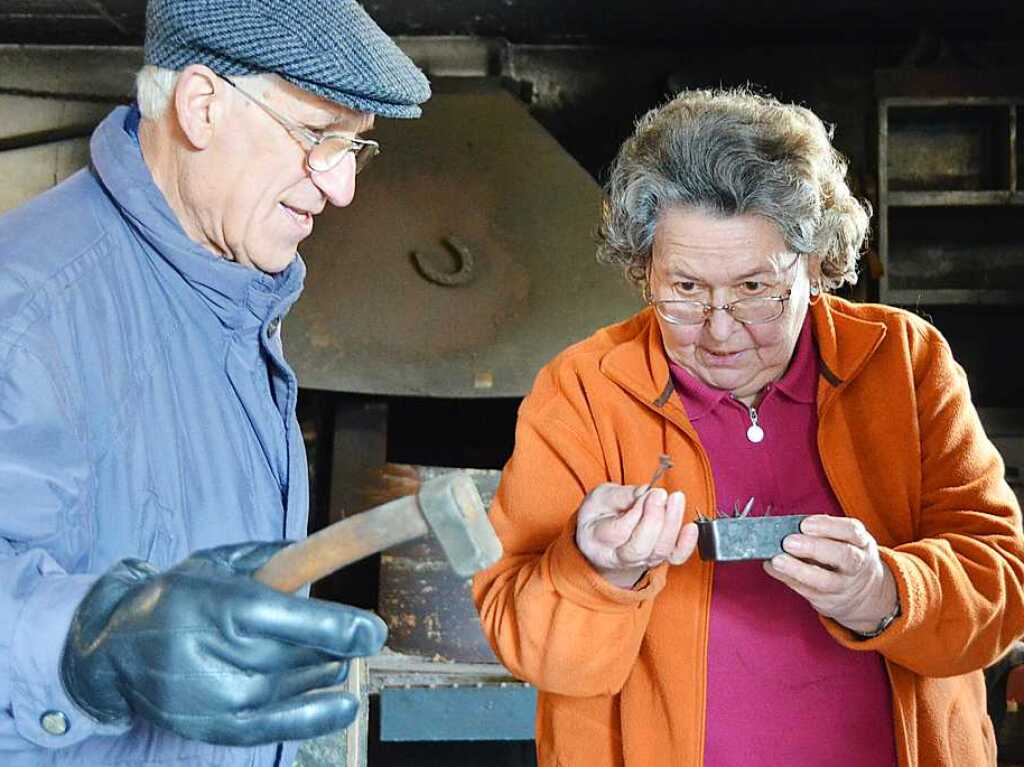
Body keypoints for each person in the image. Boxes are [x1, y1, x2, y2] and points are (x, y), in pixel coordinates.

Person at [473, 88, 1024, 766]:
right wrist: (594, 571)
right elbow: (526, 644)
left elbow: (1003, 584)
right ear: (643, 268)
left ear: (817, 265)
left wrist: (885, 592)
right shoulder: (584, 389)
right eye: (685, 290)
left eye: (755, 289)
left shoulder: (904, 363)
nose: (721, 329)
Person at [0, 1, 430, 765]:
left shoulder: (230, 298)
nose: (340, 190)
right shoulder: (29, 311)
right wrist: (94, 644)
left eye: (353, 149)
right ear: (202, 106)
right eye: (316, 139)